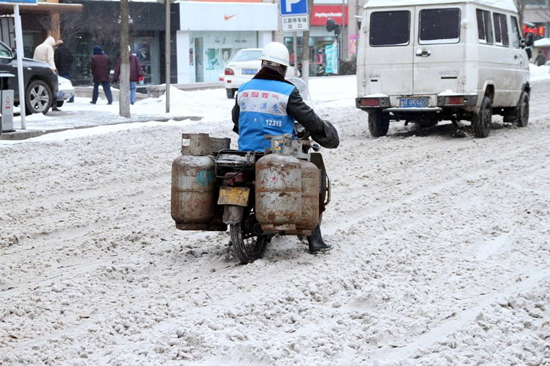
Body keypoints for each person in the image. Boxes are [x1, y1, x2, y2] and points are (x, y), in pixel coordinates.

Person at [231, 42, 340, 254]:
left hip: (246, 152)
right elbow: (309, 119)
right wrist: (323, 130)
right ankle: (314, 239)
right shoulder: (287, 91)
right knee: (310, 178)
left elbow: (236, 119)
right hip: (279, 152)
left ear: (262, 64)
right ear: (283, 68)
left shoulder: (244, 89)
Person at [34, 36, 61, 111]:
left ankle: (39, 104)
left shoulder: (38, 47)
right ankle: (54, 105)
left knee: (39, 88)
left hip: (37, 70)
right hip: (47, 70)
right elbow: (50, 60)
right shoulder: (49, 48)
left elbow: (34, 59)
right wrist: (54, 69)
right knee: (53, 87)